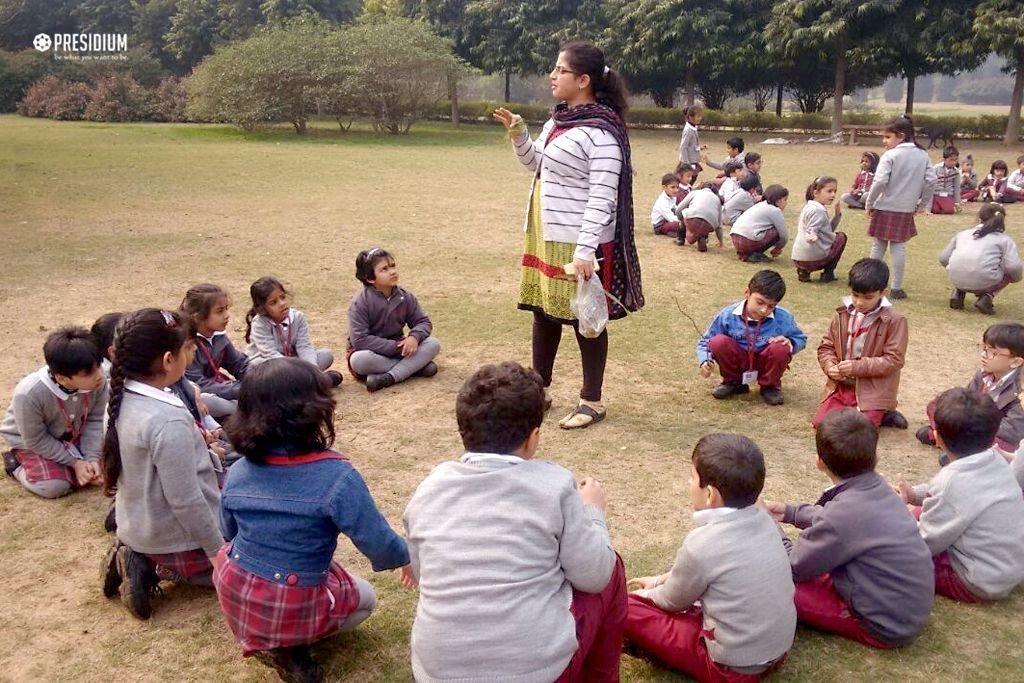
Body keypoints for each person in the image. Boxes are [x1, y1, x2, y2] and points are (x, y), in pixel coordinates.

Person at [403, 361, 625, 681]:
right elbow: (595, 576)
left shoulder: (429, 488)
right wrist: (593, 512)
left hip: (436, 672)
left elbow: (423, 575)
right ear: (532, 438)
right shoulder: (556, 485)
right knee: (610, 565)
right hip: (536, 671)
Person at [214, 358, 410, 681]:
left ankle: (274, 638)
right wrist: (406, 556)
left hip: (234, 589)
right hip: (291, 598)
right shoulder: (337, 477)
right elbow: (380, 545)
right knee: (366, 599)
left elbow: (227, 532)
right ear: (315, 411)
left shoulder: (237, 472)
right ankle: (291, 647)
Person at [493, 40, 644, 430]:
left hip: (581, 242)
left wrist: (584, 252)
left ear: (583, 79)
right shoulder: (558, 120)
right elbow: (538, 165)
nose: (552, 76)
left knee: (585, 321)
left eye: (560, 70)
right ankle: (538, 392)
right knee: (544, 314)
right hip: (546, 234)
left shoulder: (603, 133)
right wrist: (520, 136)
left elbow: (603, 197)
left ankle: (591, 401)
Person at [626, 434, 795, 680]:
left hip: (731, 669)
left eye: (692, 478)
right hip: (778, 651)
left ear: (710, 495)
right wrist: (664, 578)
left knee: (626, 608)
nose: (689, 482)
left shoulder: (702, 543)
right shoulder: (766, 520)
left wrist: (645, 594)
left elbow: (671, 602)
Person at [762, 409, 933, 649]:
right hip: (907, 608)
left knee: (767, 581)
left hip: (884, 625)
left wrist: (767, 523)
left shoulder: (843, 514)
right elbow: (842, 522)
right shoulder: (880, 489)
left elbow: (792, 566)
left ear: (819, 462)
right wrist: (788, 512)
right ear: (875, 457)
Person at [98, 309, 223, 620]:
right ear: (169, 360)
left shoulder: (120, 398)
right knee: (255, 569)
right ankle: (156, 567)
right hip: (174, 536)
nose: (191, 357)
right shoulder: (167, 420)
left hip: (136, 523)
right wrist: (218, 553)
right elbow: (186, 500)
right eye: (188, 350)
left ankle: (139, 554)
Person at [898, 388, 1024, 603]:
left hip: (975, 581)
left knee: (895, 557)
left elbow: (923, 545)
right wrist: (913, 495)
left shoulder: (952, 482)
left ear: (936, 437)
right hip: (1007, 566)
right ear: (992, 434)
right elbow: (942, 495)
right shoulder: (995, 458)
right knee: (922, 510)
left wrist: (897, 514)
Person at [1, 327, 107, 498]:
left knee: (111, 466)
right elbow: (36, 439)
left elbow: (94, 421)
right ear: (61, 378)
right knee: (54, 487)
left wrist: (91, 459)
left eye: (99, 366)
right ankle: (16, 467)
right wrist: (75, 463)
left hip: (71, 434)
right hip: (32, 441)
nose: (100, 376)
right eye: (89, 373)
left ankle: (75, 468)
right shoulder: (29, 394)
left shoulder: (97, 383)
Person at [812, 258, 908, 431]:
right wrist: (830, 366)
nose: (859, 302)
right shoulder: (842, 313)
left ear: (883, 293)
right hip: (842, 385)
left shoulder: (894, 320)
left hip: (873, 389)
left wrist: (857, 367)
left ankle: (882, 410)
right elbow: (826, 347)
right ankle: (872, 411)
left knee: (859, 429)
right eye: (855, 295)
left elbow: (894, 360)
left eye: (868, 297)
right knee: (822, 424)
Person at [696, 270, 806, 406]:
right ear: (747, 293)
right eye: (760, 302)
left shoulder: (783, 317)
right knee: (718, 342)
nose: (764, 310)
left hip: (766, 362)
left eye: (771, 306)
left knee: (781, 347)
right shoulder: (728, 315)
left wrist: (791, 343)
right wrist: (705, 360)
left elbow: (801, 338)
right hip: (738, 360)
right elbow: (705, 341)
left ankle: (770, 387)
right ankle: (734, 382)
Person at [917, 323, 1024, 453]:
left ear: (1016, 362)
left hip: (997, 436)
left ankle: (945, 439)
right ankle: (951, 441)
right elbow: (968, 400)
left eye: (992, 352)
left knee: (1000, 446)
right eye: (984, 348)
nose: (984, 355)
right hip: (975, 427)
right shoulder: (984, 373)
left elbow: (1012, 431)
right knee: (936, 405)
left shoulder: (1021, 388)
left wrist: (974, 426)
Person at [346, 248, 441, 392]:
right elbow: (360, 340)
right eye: (384, 269)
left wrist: (414, 338)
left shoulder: (405, 297)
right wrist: (396, 347)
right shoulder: (360, 302)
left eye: (393, 266)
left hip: (401, 349)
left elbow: (423, 322)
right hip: (374, 353)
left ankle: (389, 377)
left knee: (433, 344)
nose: (392, 272)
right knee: (358, 360)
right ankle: (415, 368)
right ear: (370, 278)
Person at [863, 115, 936, 300]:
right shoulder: (923, 155)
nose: (884, 141)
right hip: (905, 208)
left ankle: (869, 282)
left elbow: (879, 182)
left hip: (884, 205)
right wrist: (922, 204)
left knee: (878, 244)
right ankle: (896, 287)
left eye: (887, 137)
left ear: (901, 135)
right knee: (899, 247)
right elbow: (931, 181)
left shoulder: (891, 155)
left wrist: (869, 203)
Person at [243, 275, 343, 386]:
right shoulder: (260, 323)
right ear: (262, 308)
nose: (282, 303)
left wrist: (312, 369)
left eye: (282, 297)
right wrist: (295, 370)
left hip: (293, 362)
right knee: (255, 366)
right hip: (271, 365)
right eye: (273, 302)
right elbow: (270, 354)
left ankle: (306, 381)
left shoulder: (298, 317)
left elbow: (304, 346)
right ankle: (317, 382)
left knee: (325, 355)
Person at [939, 202, 1021, 315]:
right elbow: (1014, 267)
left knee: (964, 263)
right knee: (1007, 271)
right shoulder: (1005, 240)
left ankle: (958, 292)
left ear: (979, 217)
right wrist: (1015, 278)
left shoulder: (962, 234)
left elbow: (943, 258)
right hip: (986, 281)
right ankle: (987, 297)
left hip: (956, 278)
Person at [181, 283, 249, 418]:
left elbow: (239, 363)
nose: (227, 315)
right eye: (220, 311)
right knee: (208, 401)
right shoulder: (186, 345)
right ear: (197, 317)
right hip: (203, 395)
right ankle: (244, 409)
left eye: (226, 309)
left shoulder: (218, 336)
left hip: (223, 388)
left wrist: (256, 381)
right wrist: (242, 390)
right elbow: (200, 385)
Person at [791, 176, 845, 283]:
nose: (833, 195)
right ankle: (828, 273)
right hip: (812, 259)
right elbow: (813, 228)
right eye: (829, 191)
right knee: (841, 237)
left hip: (798, 257)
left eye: (835, 191)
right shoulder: (818, 210)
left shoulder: (809, 206)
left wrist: (837, 215)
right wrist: (812, 234)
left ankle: (803, 271)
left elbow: (827, 231)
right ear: (816, 193)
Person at [729, 185, 789, 263]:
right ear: (779, 200)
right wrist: (778, 248)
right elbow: (784, 236)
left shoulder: (760, 205)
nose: (786, 203)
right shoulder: (775, 210)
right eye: (785, 200)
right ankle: (755, 254)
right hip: (747, 240)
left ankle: (745, 253)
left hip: (735, 238)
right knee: (777, 232)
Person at [675, 183, 724, 251]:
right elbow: (719, 226)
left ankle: (680, 238)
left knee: (684, 213)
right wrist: (721, 241)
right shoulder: (717, 199)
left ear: (702, 188)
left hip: (692, 219)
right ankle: (702, 236)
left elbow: (678, 209)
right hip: (709, 225)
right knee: (704, 223)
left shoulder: (694, 193)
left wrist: (681, 220)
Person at [931, 146, 962, 214]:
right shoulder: (936, 168)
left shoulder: (956, 172)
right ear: (944, 159)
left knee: (949, 211)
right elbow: (930, 184)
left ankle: (948, 206)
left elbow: (956, 187)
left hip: (948, 194)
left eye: (956, 160)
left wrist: (957, 202)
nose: (954, 162)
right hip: (936, 194)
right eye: (951, 160)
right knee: (935, 210)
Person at [678, 104, 706, 178]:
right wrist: (686, 164)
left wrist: (700, 147)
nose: (700, 118)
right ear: (690, 117)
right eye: (698, 116)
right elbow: (683, 147)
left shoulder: (693, 128)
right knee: (684, 181)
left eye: (700, 116)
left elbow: (691, 145)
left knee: (692, 178)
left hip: (693, 160)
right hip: (688, 162)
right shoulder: (688, 130)